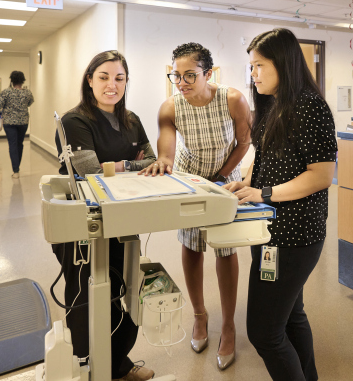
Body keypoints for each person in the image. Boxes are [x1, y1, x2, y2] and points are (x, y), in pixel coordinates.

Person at [225, 28, 337, 381]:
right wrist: (248, 182)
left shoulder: (310, 107)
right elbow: (264, 155)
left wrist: (265, 193)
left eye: (259, 66)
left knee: (264, 332)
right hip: (270, 229)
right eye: (251, 67)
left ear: (283, 65)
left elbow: (321, 175)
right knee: (290, 316)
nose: (253, 74)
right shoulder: (273, 103)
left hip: (293, 236)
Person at [140, 42, 251, 370]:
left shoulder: (232, 99)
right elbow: (167, 151)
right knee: (191, 245)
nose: (183, 82)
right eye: (177, 76)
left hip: (225, 176)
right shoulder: (170, 107)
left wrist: (219, 177)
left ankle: (228, 326)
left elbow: (244, 142)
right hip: (190, 178)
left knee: (225, 248)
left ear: (208, 73)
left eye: (191, 75)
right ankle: (200, 316)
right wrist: (163, 163)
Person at [52, 50, 157, 381]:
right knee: (87, 294)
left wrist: (116, 166)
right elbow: (88, 172)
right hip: (84, 223)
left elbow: (152, 161)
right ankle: (88, 366)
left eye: (119, 78)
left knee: (119, 290)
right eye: (104, 77)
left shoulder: (132, 120)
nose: (112, 85)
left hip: (122, 218)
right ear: (89, 79)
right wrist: (128, 164)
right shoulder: (74, 121)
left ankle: (116, 365)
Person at [0, 71, 34, 178]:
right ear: (23, 80)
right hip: (23, 122)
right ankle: (17, 167)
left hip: (9, 123)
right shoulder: (27, 92)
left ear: (11, 80)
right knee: (20, 144)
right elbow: (30, 103)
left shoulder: (6, 92)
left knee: (12, 145)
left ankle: (16, 171)